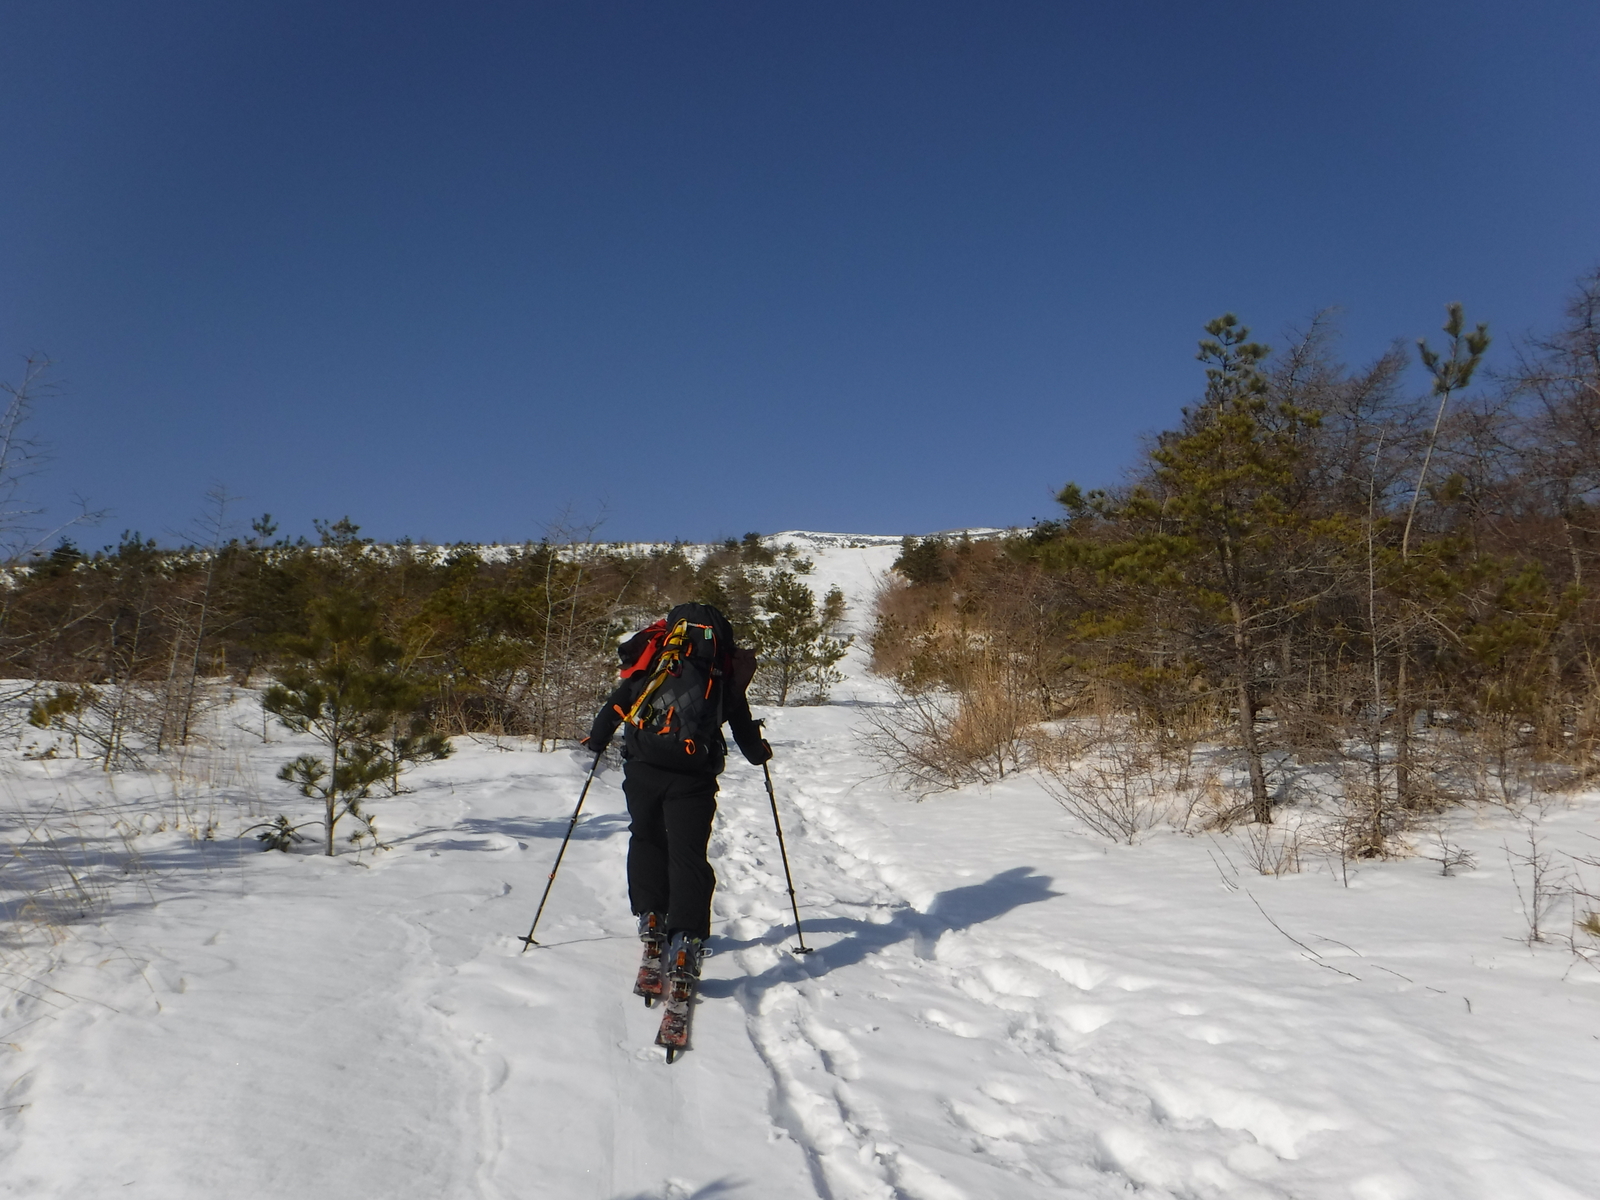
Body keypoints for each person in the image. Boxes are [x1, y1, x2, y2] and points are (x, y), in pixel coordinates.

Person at [582, 601, 770, 988]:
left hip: (643, 766)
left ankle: (651, 916)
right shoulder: (721, 669)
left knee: (646, 836)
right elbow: (740, 722)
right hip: (693, 775)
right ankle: (687, 938)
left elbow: (619, 700)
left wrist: (598, 740)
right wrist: (759, 754)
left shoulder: (657, 657)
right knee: (688, 854)